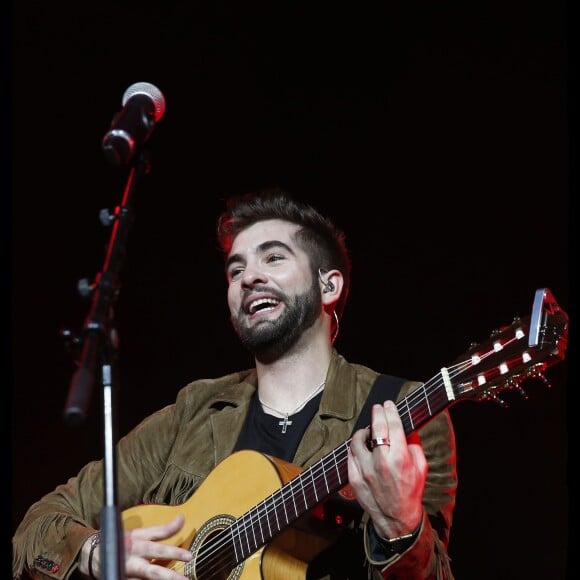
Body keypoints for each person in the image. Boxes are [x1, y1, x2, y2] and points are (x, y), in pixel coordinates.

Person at [12, 187, 457, 579]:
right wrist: (96, 552)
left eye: (274, 257)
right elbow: (39, 525)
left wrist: (401, 526)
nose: (249, 278)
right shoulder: (195, 410)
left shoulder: (402, 411)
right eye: (235, 270)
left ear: (329, 285)